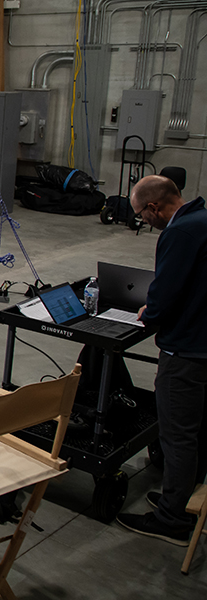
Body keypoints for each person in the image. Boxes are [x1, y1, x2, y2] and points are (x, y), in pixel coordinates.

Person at [116, 175, 207, 546]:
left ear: (154, 208)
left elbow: (167, 290)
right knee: (197, 432)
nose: (143, 222)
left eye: (141, 215)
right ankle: (182, 500)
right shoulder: (201, 220)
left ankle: (171, 520)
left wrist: (149, 313)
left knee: (178, 436)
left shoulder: (179, 233)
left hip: (186, 351)